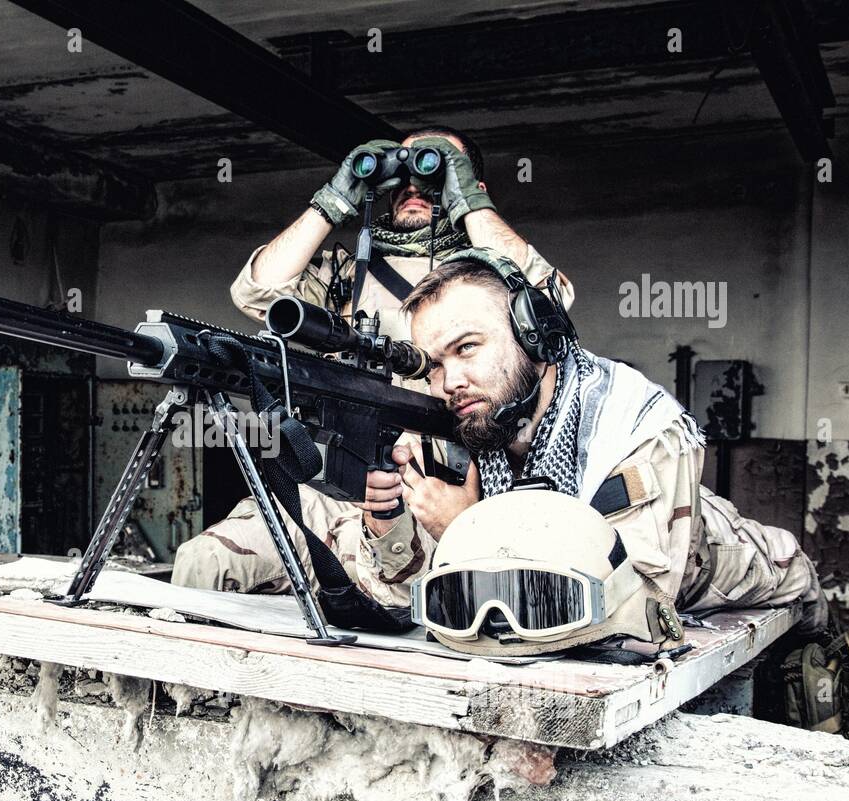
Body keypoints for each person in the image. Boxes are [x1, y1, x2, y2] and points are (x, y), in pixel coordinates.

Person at [172, 126, 571, 594]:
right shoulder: (346, 271)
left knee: (412, 614)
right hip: (333, 491)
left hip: (432, 497)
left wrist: (466, 199)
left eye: (434, 171)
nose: (413, 185)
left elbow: (550, 302)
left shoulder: (485, 278)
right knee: (205, 562)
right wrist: (333, 198)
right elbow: (256, 291)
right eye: (401, 172)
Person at [356, 250, 829, 640]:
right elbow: (405, 602)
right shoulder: (467, 419)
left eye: (467, 348)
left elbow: (630, 616)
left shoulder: (634, 426)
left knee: (812, 678)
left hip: (747, 570)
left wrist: (468, 531)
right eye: (432, 365)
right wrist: (386, 523)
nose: (448, 382)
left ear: (533, 337)